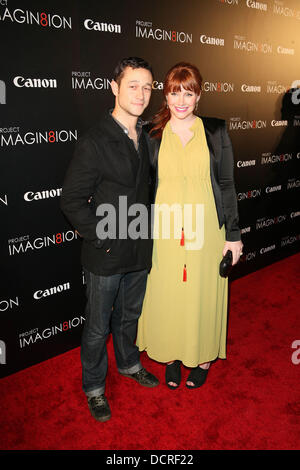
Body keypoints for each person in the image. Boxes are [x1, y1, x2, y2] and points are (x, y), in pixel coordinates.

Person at [60, 57, 159, 422]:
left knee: (129, 316)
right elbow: (71, 200)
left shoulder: (147, 136)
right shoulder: (95, 140)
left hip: (139, 248)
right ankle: (94, 388)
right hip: (105, 253)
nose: (141, 93)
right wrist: (101, 238)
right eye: (133, 85)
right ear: (114, 88)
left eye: (147, 86)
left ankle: (130, 364)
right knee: (98, 325)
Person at [136, 62, 243, 390]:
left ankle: (202, 357)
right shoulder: (152, 133)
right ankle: (171, 356)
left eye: (188, 92)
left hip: (206, 229)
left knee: (201, 292)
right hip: (165, 231)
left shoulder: (216, 131)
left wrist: (234, 237)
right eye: (173, 92)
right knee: (167, 292)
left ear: (199, 95)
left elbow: (226, 183)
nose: (180, 100)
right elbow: (142, 184)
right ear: (164, 95)